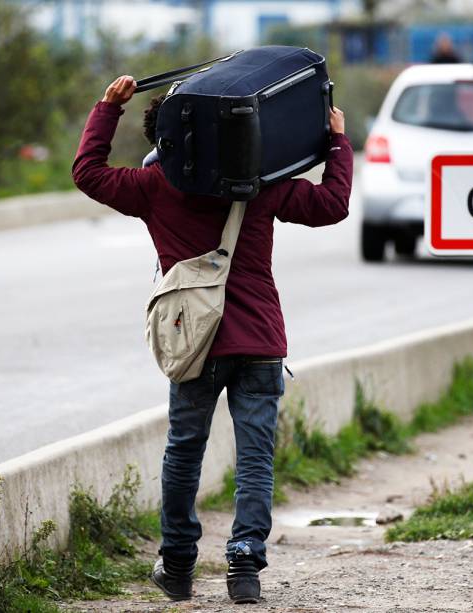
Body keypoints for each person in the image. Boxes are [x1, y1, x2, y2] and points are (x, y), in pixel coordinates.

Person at [72, 75, 352, 604]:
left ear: (167, 140)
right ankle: (244, 564)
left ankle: (177, 564)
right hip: (260, 341)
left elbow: (87, 172)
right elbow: (332, 203)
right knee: (255, 455)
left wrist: (108, 108)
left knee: (184, 452)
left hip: (193, 343)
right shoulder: (263, 184)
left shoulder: (155, 189)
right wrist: (337, 142)